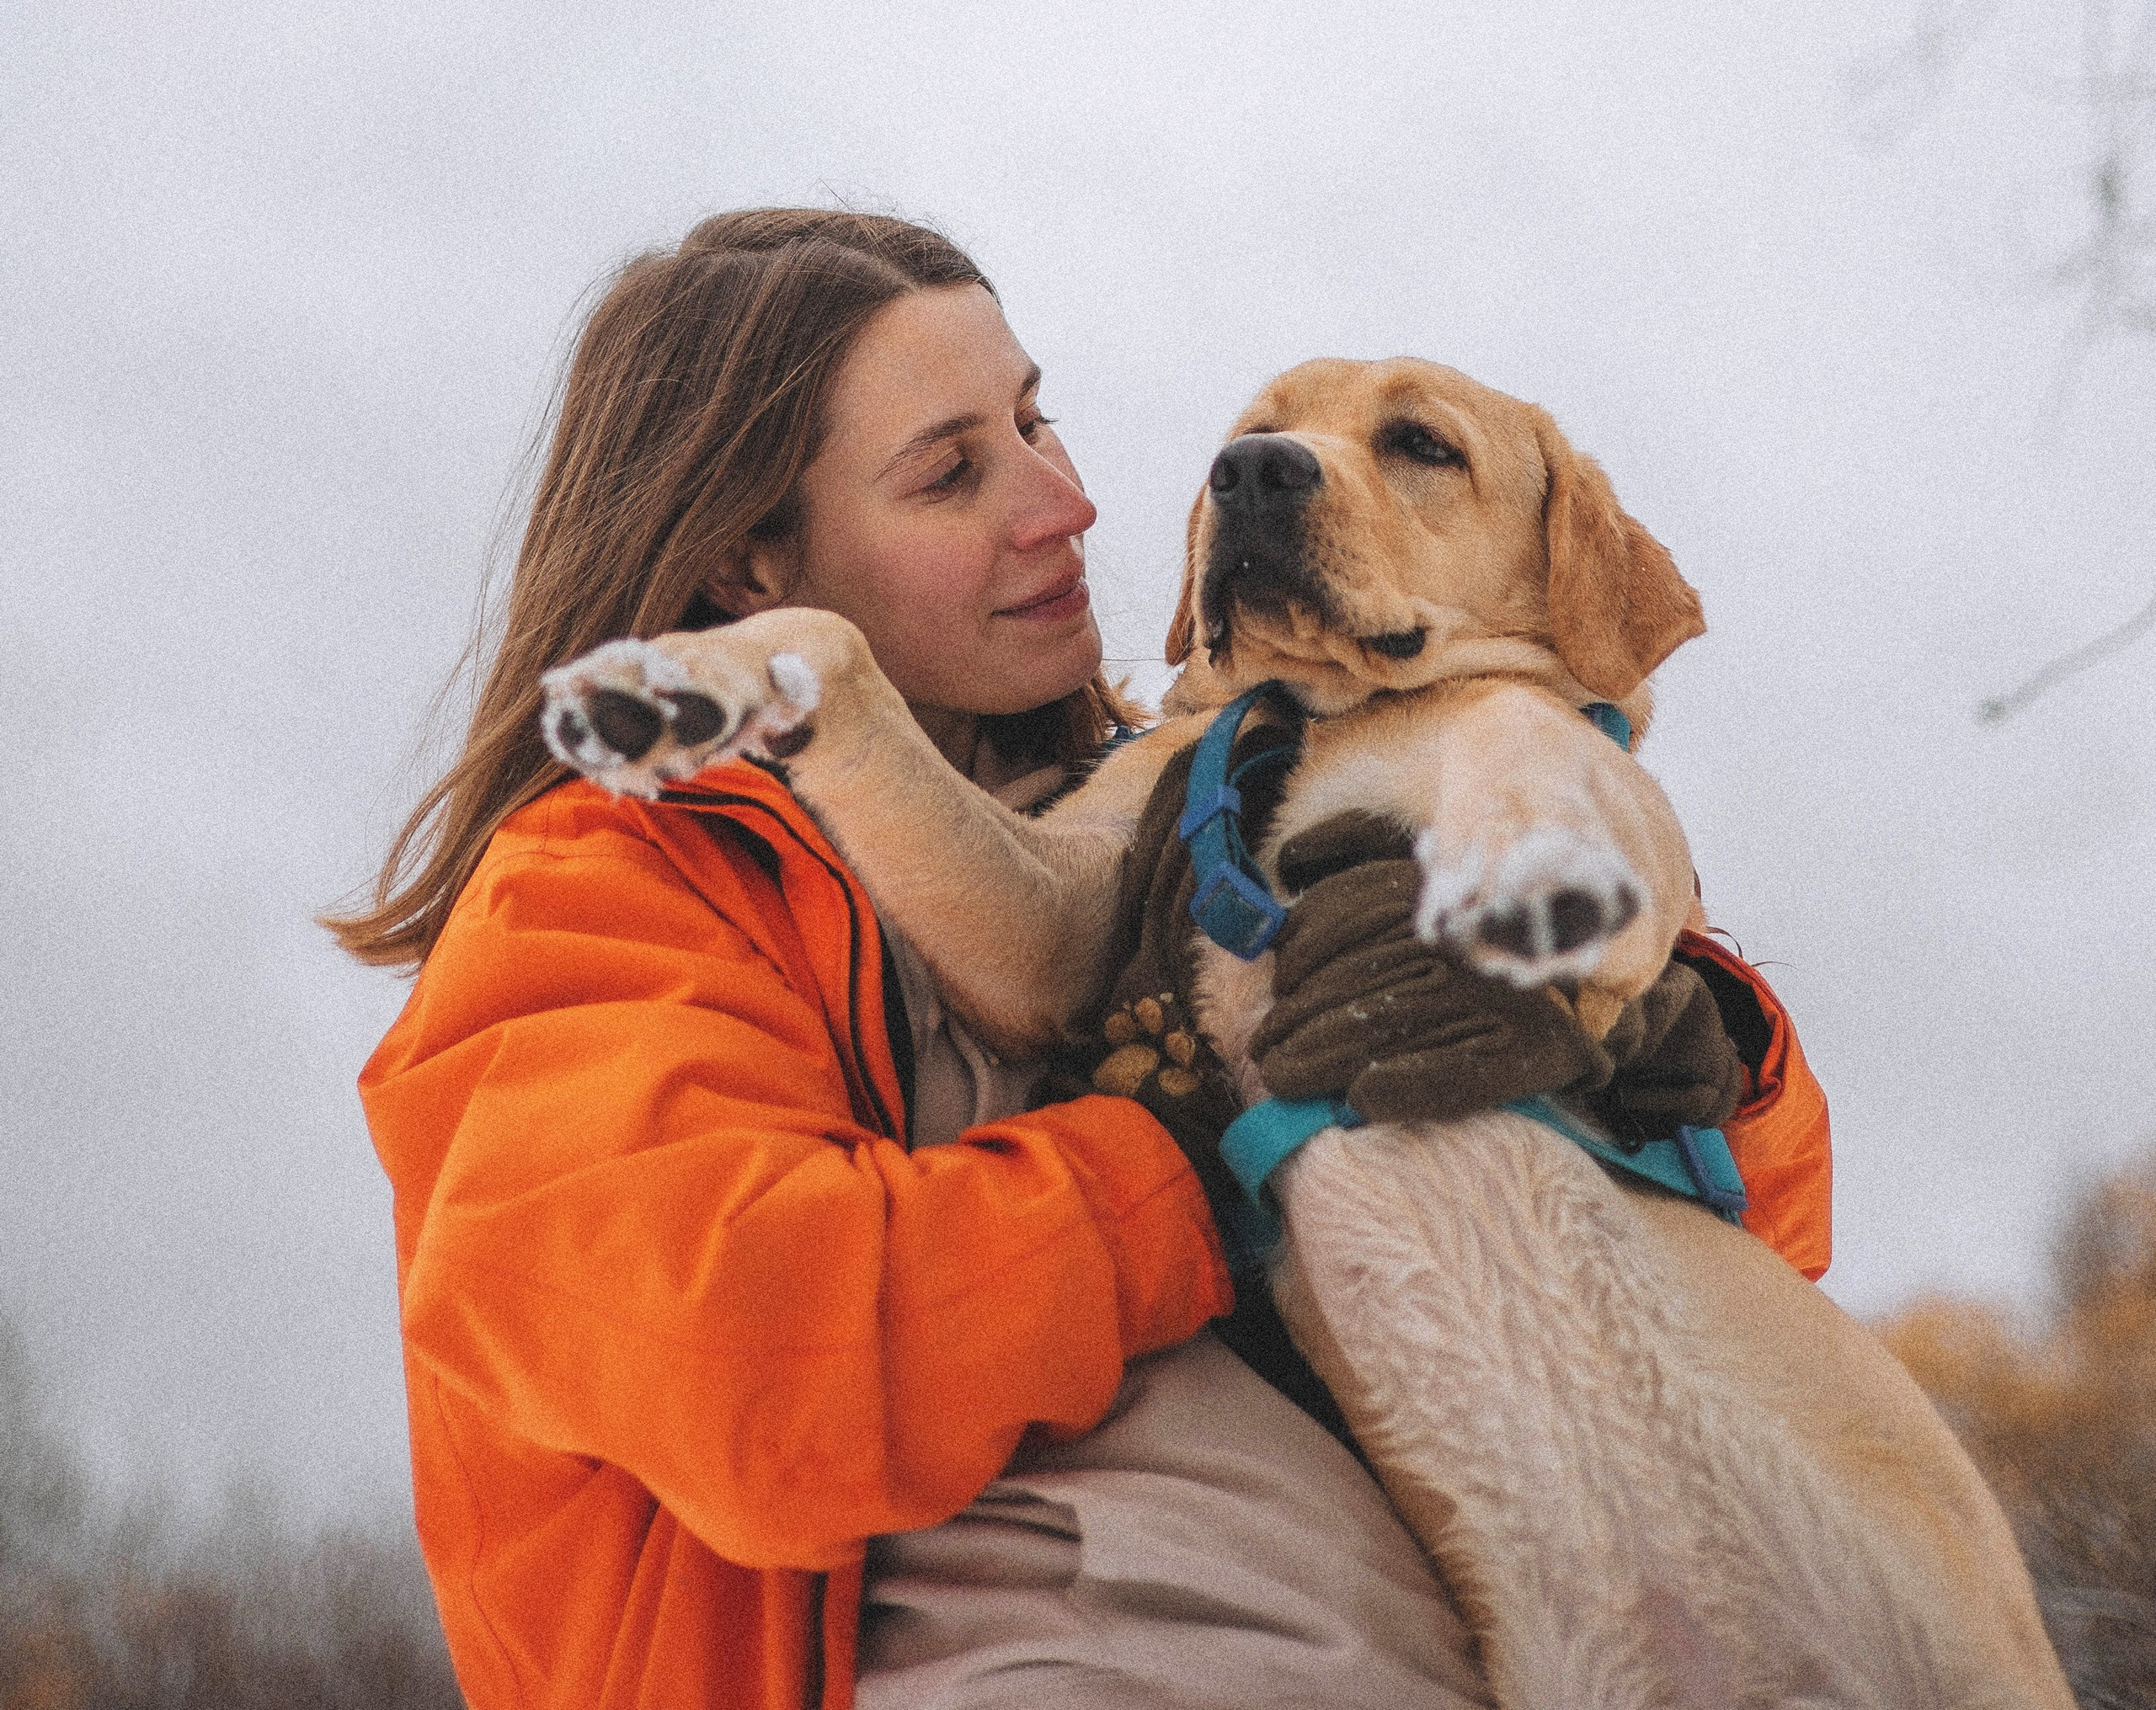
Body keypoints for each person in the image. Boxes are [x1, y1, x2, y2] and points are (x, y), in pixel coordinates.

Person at [336, 207, 1831, 1710]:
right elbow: (768, 1373)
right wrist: (1194, 1147)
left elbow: (1727, 1307)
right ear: (749, 564)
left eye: (1037, 421)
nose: (1068, 505)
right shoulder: (599, 907)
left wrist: (1682, 1070)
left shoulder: (1216, 809)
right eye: (952, 472)